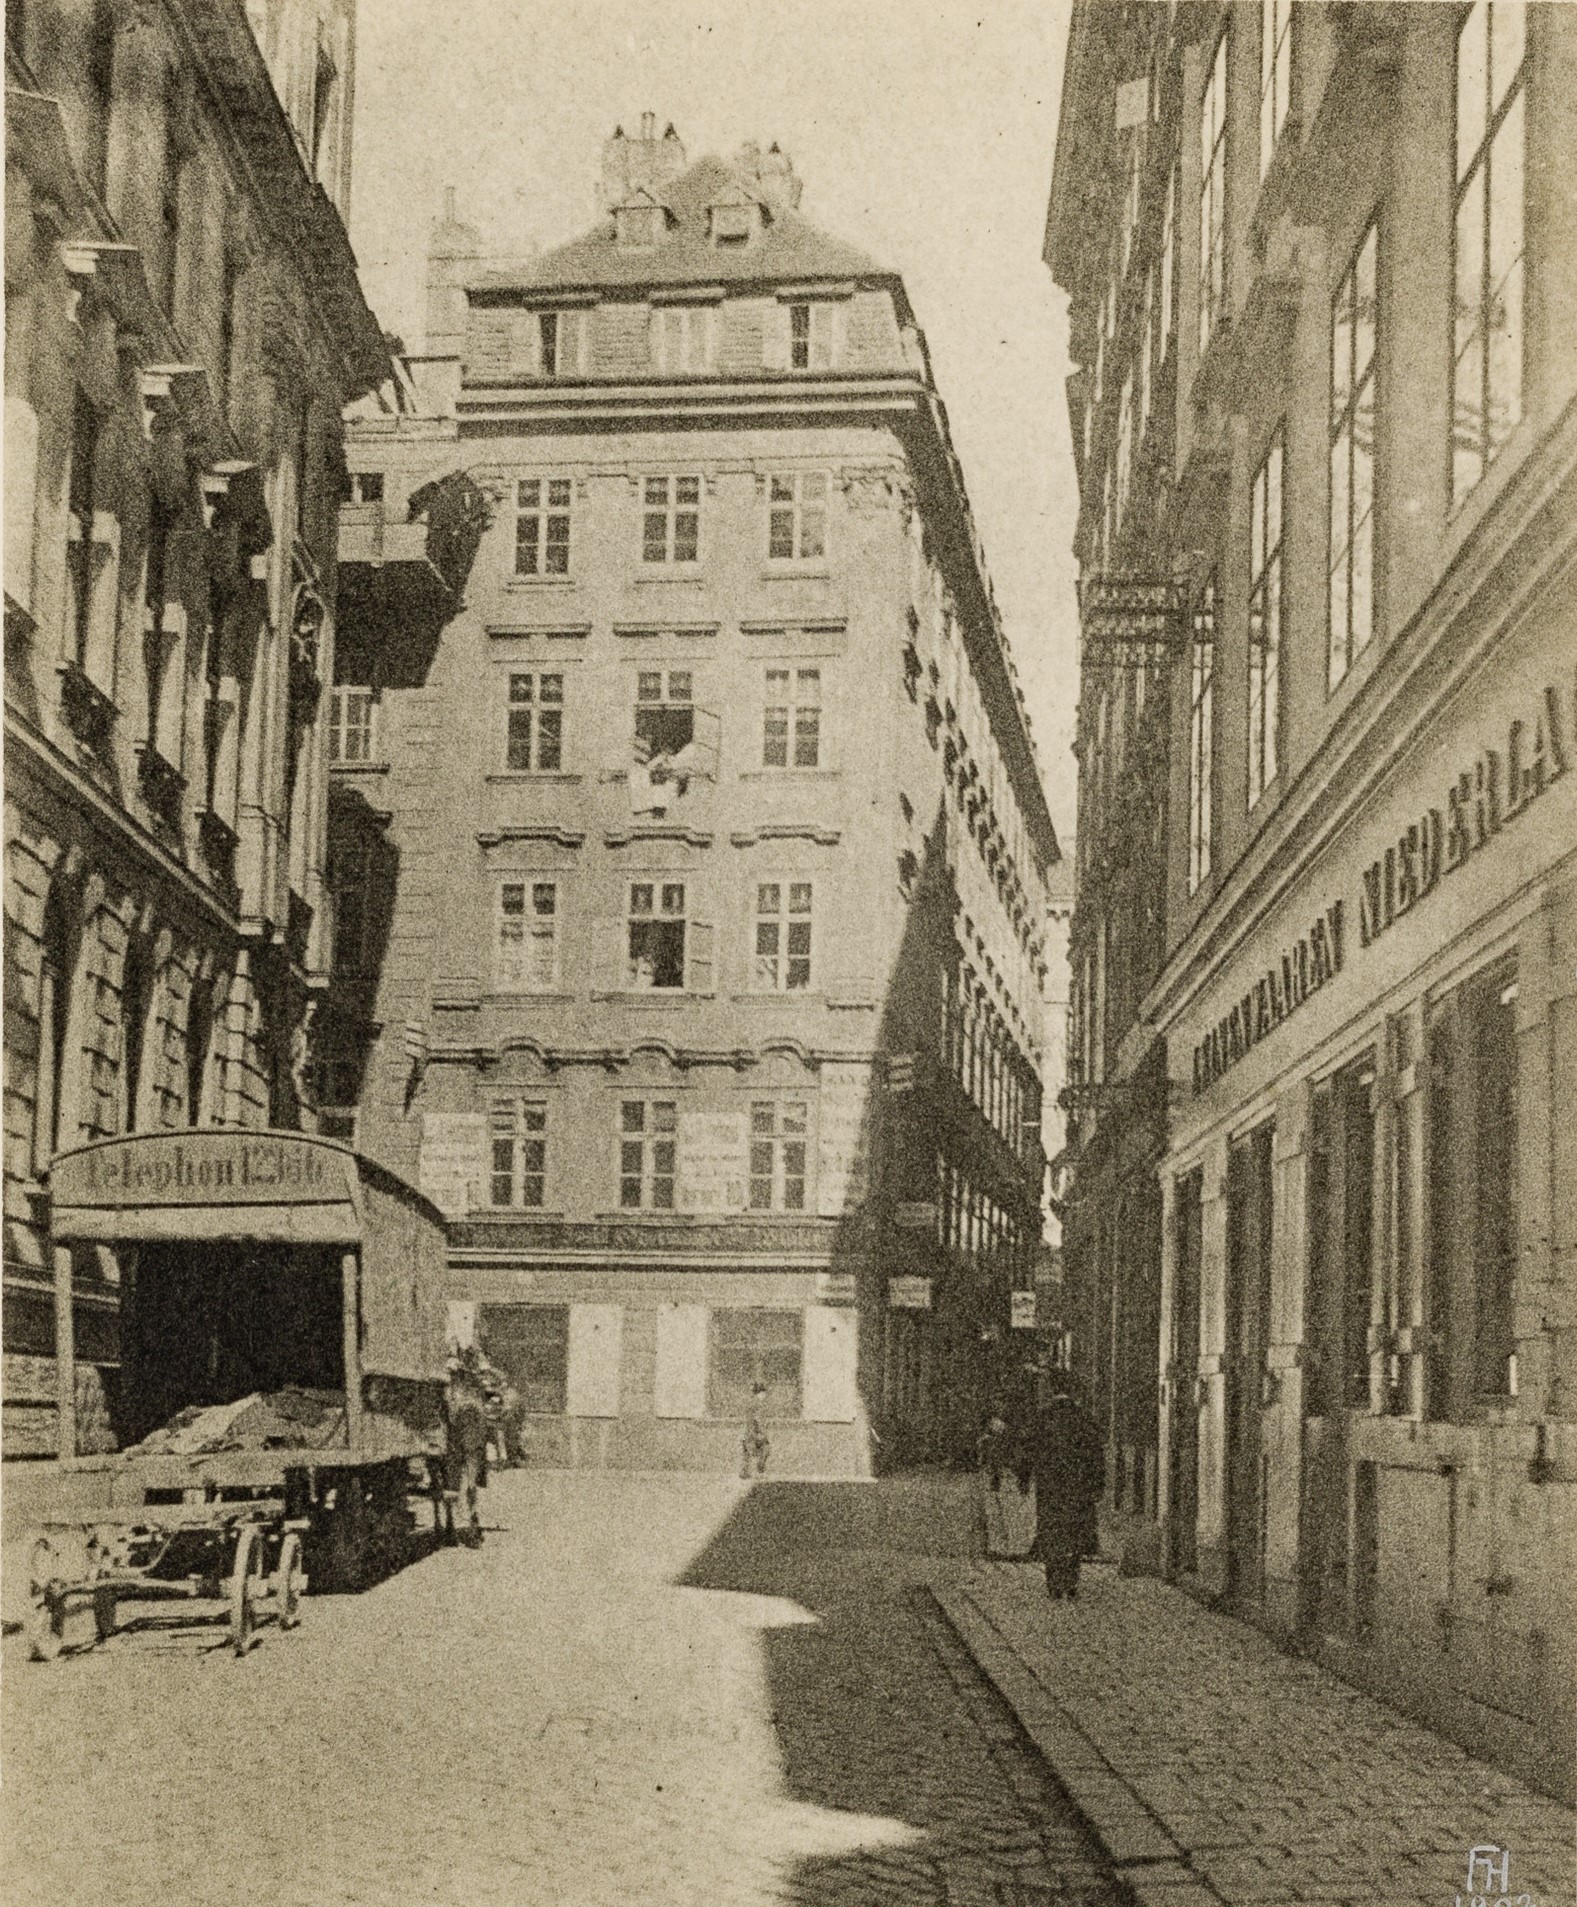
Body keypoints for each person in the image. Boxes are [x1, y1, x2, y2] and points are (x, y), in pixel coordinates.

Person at [1026, 1385, 1104, 1599]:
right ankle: (1071, 1582)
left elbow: (1030, 1451)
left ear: (1053, 1393)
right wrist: (1097, 1485)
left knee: (1052, 1531)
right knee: (1074, 1533)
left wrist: (1026, 1478)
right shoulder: (1084, 1418)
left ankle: (1053, 1583)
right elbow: (1096, 1455)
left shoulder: (1043, 1417)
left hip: (1050, 1488)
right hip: (1078, 1487)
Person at [741, 1381, 771, 1479]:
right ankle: (759, 1472)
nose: (766, 1396)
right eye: (765, 1393)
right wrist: (761, 1432)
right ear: (761, 1393)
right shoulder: (758, 1403)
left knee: (747, 1452)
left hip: (747, 1432)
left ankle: (745, 1472)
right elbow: (757, 1419)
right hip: (754, 1432)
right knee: (765, 1449)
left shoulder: (751, 1402)